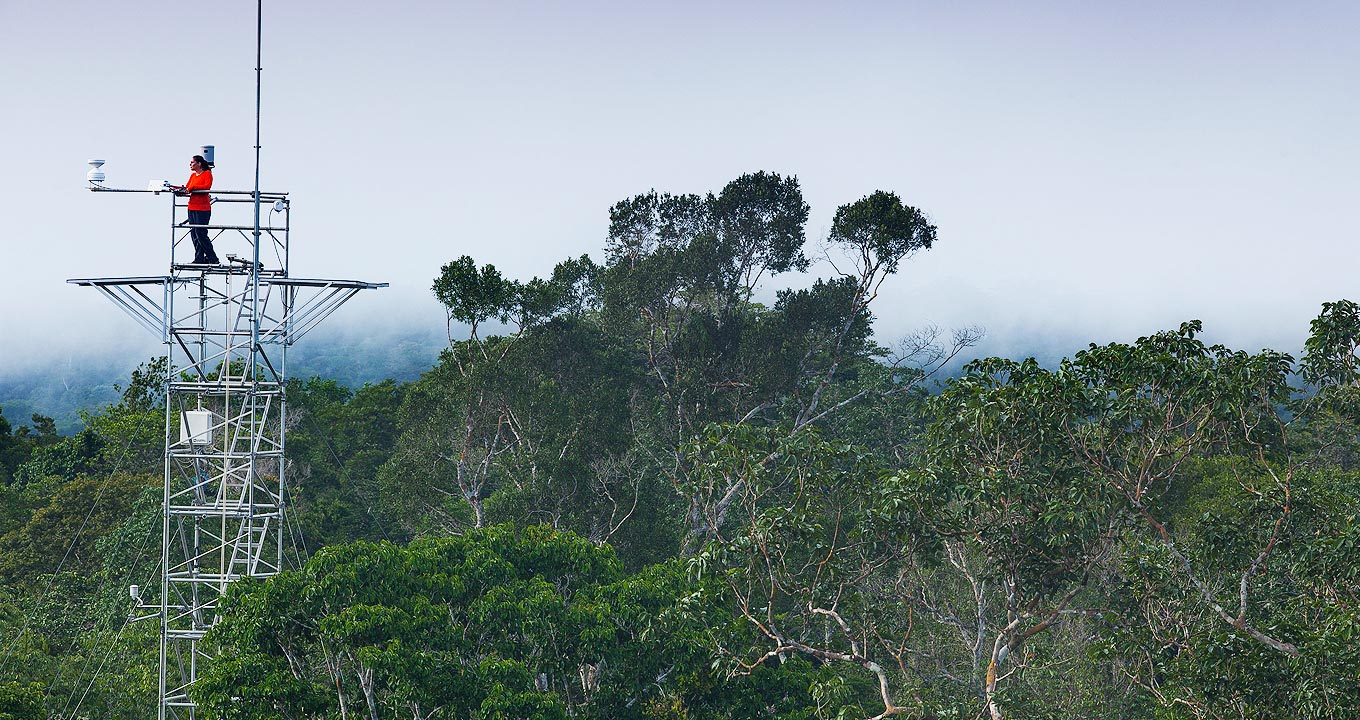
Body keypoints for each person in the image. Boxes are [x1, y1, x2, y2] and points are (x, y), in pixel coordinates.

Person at [172, 155, 218, 264]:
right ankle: (199, 258)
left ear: (199, 163)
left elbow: (206, 187)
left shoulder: (207, 174)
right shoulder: (193, 176)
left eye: (192, 162)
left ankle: (213, 258)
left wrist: (193, 188)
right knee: (194, 234)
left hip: (202, 209)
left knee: (201, 233)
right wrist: (177, 189)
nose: (190, 165)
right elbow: (188, 188)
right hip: (192, 207)